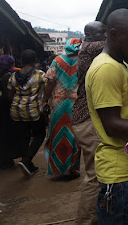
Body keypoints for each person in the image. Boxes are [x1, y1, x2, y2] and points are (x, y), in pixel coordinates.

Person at [85, 9, 128, 225]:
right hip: (119, 174)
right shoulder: (106, 69)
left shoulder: (120, 65)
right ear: (113, 35)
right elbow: (112, 125)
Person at [70, 21, 106, 225]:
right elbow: (115, 39)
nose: (105, 35)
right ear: (89, 36)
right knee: (94, 175)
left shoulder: (90, 50)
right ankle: (86, 221)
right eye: (101, 32)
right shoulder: (90, 48)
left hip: (86, 120)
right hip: (86, 120)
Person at [43, 38, 82, 180]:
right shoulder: (82, 62)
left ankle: (57, 169)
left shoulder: (57, 61)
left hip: (58, 104)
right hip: (76, 104)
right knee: (73, 136)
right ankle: (72, 169)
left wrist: (45, 99)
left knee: (56, 133)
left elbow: (50, 81)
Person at [6, 49, 47, 177]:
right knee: (39, 135)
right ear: (35, 60)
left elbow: (9, 95)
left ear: (21, 60)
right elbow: (47, 89)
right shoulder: (40, 75)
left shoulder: (13, 76)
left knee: (23, 137)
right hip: (34, 111)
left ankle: (28, 164)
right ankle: (26, 160)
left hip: (17, 111)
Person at [0, 54, 20, 169]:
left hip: (5, 112)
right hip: (6, 112)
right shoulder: (7, 76)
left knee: (4, 135)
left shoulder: (5, 78)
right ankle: (5, 158)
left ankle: (6, 159)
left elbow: (6, 97)